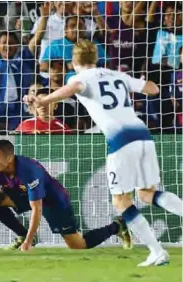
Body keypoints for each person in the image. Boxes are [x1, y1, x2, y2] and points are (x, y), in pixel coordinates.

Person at [25, 39, 183, 266]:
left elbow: (73, 88)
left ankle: (156, 250)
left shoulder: (79, 78)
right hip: (143, 136)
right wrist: (134, 83)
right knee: (147, 194)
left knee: (121, 201)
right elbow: (153, 88)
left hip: (121, 141)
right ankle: (157, 250)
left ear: (73, 62)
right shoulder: (117, 74)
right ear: (96, 58)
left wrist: (44, 99)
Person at [0, 140, 131, 252]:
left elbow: (37, 208)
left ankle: (117, 226)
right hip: (25, 196)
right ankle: (22, 235)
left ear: (9, 158)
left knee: (78, 245)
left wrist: (29, 243)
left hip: (53, 201)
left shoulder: (29, 170)